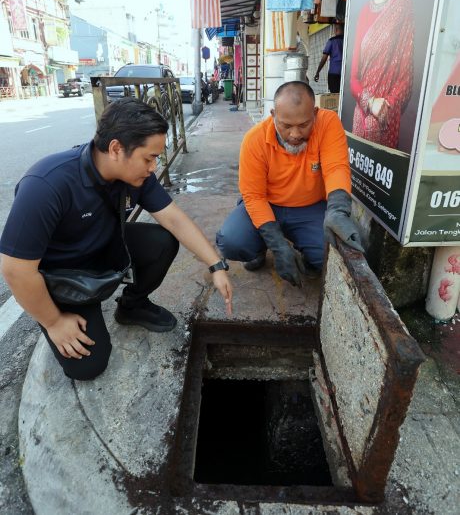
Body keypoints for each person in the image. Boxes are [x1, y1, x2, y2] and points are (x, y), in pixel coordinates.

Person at [0, 98, 233, 381]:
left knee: (162, 241)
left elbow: (174, 219)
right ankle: (71, 309)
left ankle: (132, 306)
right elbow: (16, 270)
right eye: (149, 158)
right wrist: (54, 322)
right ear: (116, 149)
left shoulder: (137, 176)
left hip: (105, 251)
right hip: (66, 277)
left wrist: (215, 265)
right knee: (87, 366)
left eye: (157, 158)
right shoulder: (47, 184)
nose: (153, 167)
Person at [216, 81, 363, 287]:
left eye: (304, 125)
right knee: (232, 241)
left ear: (314, 112)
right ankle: (258, 251)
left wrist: (338, 210)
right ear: (273, 114)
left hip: (310, 208)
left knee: (334, 255)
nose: (295, 135)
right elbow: (254, 196)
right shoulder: (254, 139)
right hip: (267, 205)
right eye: (286, 126)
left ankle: (309, 257)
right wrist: (277, 246)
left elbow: (336, 168)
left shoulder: (328, 122)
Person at [350, 0, 414, 149]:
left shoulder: (402, 1)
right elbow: (354, 78)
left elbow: (406, 76)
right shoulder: (364, 11)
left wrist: (385, 105)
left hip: (387, 118)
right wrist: (370, 101)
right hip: (361, 117)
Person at [314, 23, 344, 93]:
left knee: (334, 95)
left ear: (336, 29)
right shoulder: (348, 41)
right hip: (346, 73)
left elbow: (324, 58)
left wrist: (318, 72)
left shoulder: (332, 41)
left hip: (334, 73)